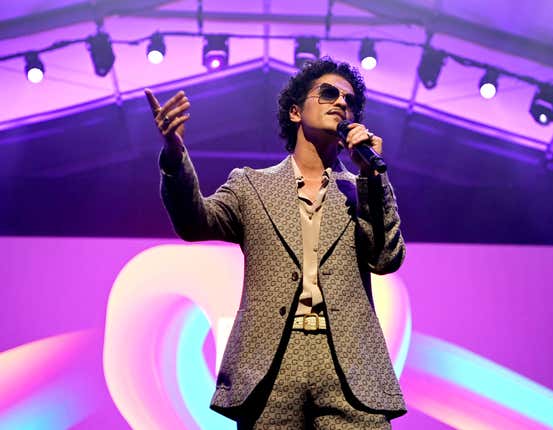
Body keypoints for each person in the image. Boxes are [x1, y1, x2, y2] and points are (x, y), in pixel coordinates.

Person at [145, 57, 406, 429]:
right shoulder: (252, 186)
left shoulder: (360, 187)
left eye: (349, 101)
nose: (341, 104)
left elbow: (386, 258)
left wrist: (372, 178)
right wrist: (173, 154)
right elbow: (194, 221)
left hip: (350, 367)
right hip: (270, 366)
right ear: (296, 112)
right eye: (329, 93)